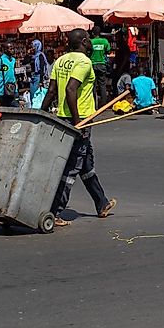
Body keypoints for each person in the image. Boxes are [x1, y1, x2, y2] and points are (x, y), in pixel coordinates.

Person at [41, 29, 117, 227]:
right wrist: (79, 123)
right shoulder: (84, 62)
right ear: (84, 41)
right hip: (80, 118)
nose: (91, 42)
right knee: (73, 166)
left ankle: (101, 203)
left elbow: (51, 92)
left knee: (86, 163)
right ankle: (55, 211)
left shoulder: (61, 60)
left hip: (63, 117)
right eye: (89, 39)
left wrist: (40, 115)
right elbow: (70, 90)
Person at [90, 29, 111, 105]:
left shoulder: (91, 42)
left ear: (93, 33)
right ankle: (103, 104)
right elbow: (108, 51)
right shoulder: (104, 41)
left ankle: (92, 103)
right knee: (102, 85)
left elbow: (88, 51)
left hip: (93, 64)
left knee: (93, 85)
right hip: (102, 64)